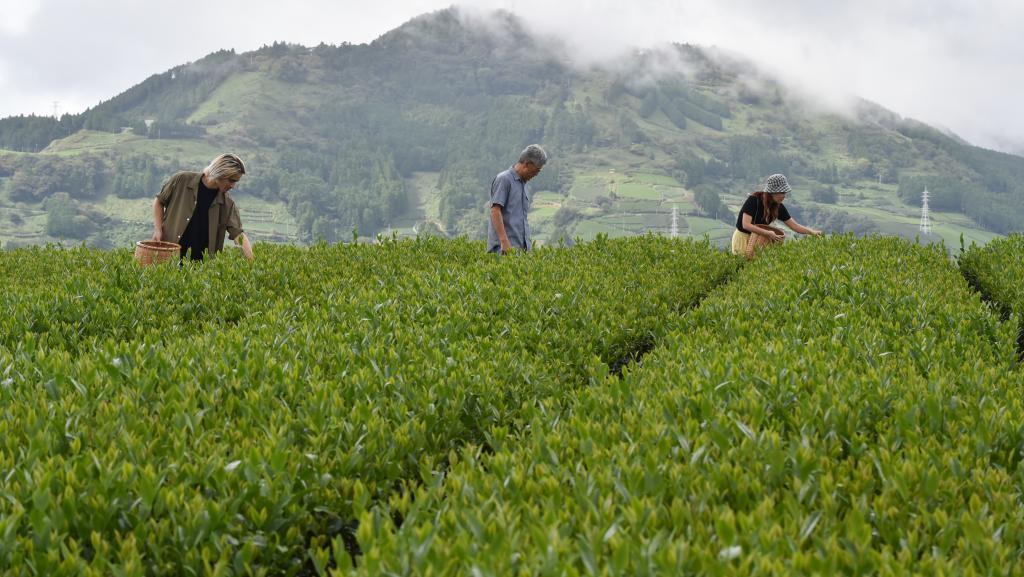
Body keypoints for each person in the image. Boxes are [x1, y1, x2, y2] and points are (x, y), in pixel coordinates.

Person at [151, 153, 254, 262]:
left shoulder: (227, 203)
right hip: (169, 257)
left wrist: (252, 263)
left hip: (201, 268)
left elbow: (238, 235)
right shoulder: (182, 180)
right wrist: (158, 230)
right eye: (231, 180)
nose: (233, 186)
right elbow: (159, 201)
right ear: (221, 173)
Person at [731, 173, 822, 258]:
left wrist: (812, 232)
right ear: (772, 192)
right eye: (781, 192)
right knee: (742, 266)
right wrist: (767, 233)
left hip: (760, 240)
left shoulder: (778, 207)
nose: (784, 196)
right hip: (743, 238)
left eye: (785, 193)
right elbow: (746, 225)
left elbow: (794, 226)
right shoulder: (754, 200)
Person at [487, 144, 548, 254]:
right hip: (504, 250)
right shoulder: (504, 179)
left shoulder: (523, 185)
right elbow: (495, 210)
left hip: (520, 250)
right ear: (527, 164)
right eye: (536, 170)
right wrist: (504, 241)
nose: (536, 174)